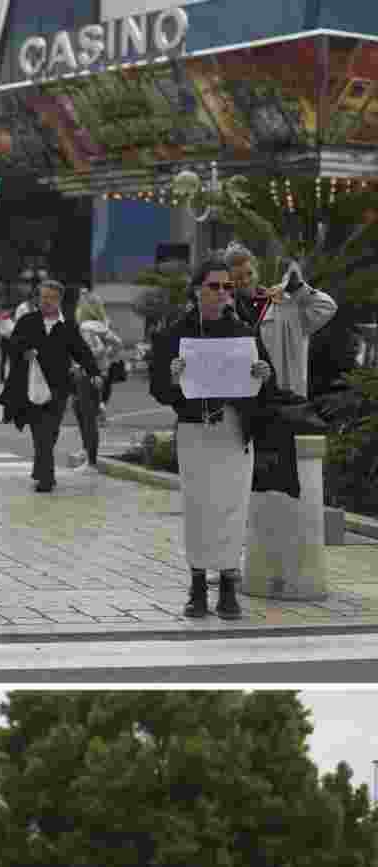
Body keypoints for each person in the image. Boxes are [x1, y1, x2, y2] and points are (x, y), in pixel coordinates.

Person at [149, 254, 275, 620]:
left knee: (233, 508)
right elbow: (160, 390)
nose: (222, 293)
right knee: (200, 508)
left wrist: (264, 374)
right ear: (197, 290)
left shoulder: (244, 331)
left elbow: (268, 389)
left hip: (234, 432)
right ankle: (198, 586)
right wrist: (172, 378)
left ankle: (229, 587)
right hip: (195, 431)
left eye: (227, 287)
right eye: (214, 286)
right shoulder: (174, 334)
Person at [0, 279, 102, 492]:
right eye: (43, 297)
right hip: (32, 388)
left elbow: (81, 352)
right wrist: (24, 352)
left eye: (52, 298)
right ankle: (46, 479)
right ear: (38, 298)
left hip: (58, 389)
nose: (47, 302)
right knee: (41, 433)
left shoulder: (68, 326)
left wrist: (94, 373)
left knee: (50, 432)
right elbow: (13, 347)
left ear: (59, 301)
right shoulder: (27, 321)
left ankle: (41, 470)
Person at [225, 243, 337, 400]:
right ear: (229, 280)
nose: (245, 281)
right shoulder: (225, 311)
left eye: (249, 274)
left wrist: (298, 287)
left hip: (283, 397)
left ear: (257, 272)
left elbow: (327, 307)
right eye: (238, 277)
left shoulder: (283, 305)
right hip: (242, 400)